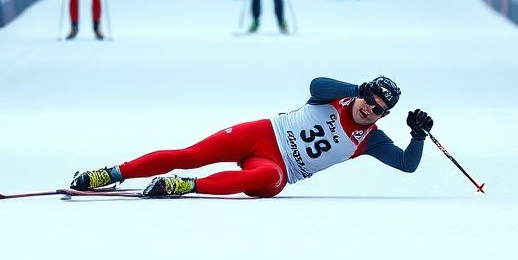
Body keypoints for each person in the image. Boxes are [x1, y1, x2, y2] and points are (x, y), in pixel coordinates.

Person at [68, 75, 434, 198]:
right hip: (263, 134)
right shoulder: (336, 94)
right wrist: (357, 86)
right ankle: (110, 174)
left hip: (278, 167)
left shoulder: (371, 139)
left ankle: (184, 186)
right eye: (369, 101)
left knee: (265, 179)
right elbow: (314, 84)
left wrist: (418, 136)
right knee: (190, 152)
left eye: (379, 111)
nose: (369, 111)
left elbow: (406, 165)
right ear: (363, 92)